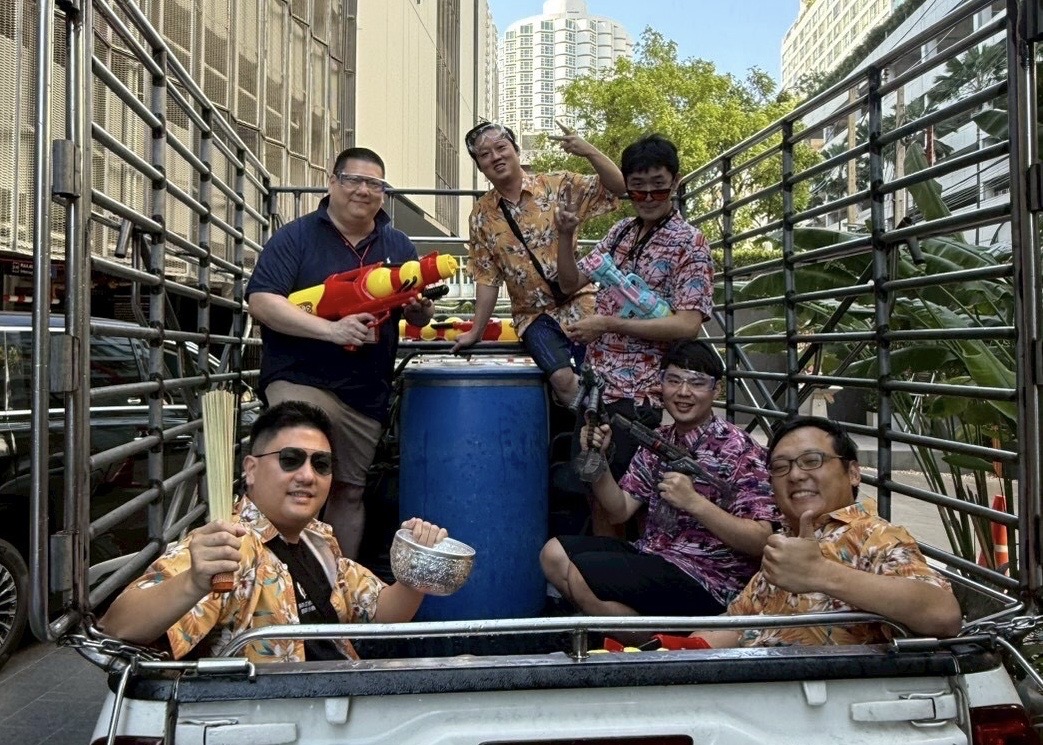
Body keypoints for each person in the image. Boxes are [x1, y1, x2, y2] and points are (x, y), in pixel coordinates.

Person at [99, 401, 450, 663]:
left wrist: (416, 568)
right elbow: (118, 628)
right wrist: (193, 581)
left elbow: (381, 613)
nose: (307, 476)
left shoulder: (318, 540)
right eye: (290, 459)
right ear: (250, 469)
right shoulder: (229, 547)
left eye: (321, 464)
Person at [246, 147, 436, 558]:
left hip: (365, 392)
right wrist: (331, 330)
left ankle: (337, 582)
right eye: (354, 180)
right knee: (292, 477)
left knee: (348, 490)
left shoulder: (398, 244)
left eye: (375, 184)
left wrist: (419, 312)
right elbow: (261, 301)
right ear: (332, 183)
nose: (364, 190)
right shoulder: (295, 237)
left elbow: (413, 316)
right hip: (299, 378)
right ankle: (271, 576)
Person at [540, 340, 780, 617]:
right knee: (553, 555)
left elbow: (762, 540)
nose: (683, 392)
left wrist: (695, 503)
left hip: (710, 577)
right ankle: (652, 632)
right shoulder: (658, 440)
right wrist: (599, 457)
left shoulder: (740, 448)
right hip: (655, 554)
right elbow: (619, 510)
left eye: (697, 383)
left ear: (717, 389)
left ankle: (664, 640)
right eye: (673, 380)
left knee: (583, 576)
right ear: (660, 384)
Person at [555, 134, 714, 536]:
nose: (647, 196)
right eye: (637, 187)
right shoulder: (622, 231)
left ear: (676, 182)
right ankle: (597, 567)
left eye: (658, 185)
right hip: (597, 388)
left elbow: (688, 324)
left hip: (640, 395)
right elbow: (569, 283)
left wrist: (608, 323)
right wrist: (565, 235)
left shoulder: (690, 242)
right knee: (594, 488)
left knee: (626, 498)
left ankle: (614, 569)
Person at [697, 416, 963, 647]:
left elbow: (943, 614)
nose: (795, 475)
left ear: (854, 473)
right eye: (780, 467)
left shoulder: (873, 535)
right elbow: (736, 625)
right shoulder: (786, 545)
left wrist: (820, 573)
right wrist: (680, 650)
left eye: (812, 460)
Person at [452, 121, 626, 405]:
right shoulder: (481, 216)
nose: (495, 157)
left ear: (516, 150)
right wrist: (476, 331)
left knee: (602, 374)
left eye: (501, 147)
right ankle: (588, 423)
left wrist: (589, 151)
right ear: (479, 166)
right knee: (562, 380)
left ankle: (602, 428)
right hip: (533, 316)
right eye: (484, 154)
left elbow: (617, 187)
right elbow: (487, 278)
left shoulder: (558, 185)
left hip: (579, 300)